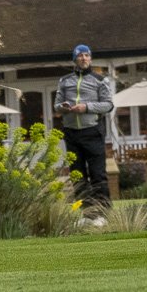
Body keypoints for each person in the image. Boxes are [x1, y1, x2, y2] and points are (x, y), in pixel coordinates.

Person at [55, 44, 115, 213]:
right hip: (71, 133)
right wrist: (64, 107)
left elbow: (108, 105)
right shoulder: (65, 81)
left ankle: (104, 213)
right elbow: (56, 105)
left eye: (87, 55)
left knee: (98, 175)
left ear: (90, 58)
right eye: (80, 56)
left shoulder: (100, 80)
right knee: (78, 176)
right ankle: (85, 213)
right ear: (75, 59)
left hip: (92, 132)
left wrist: (86, 107)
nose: (84, 58)